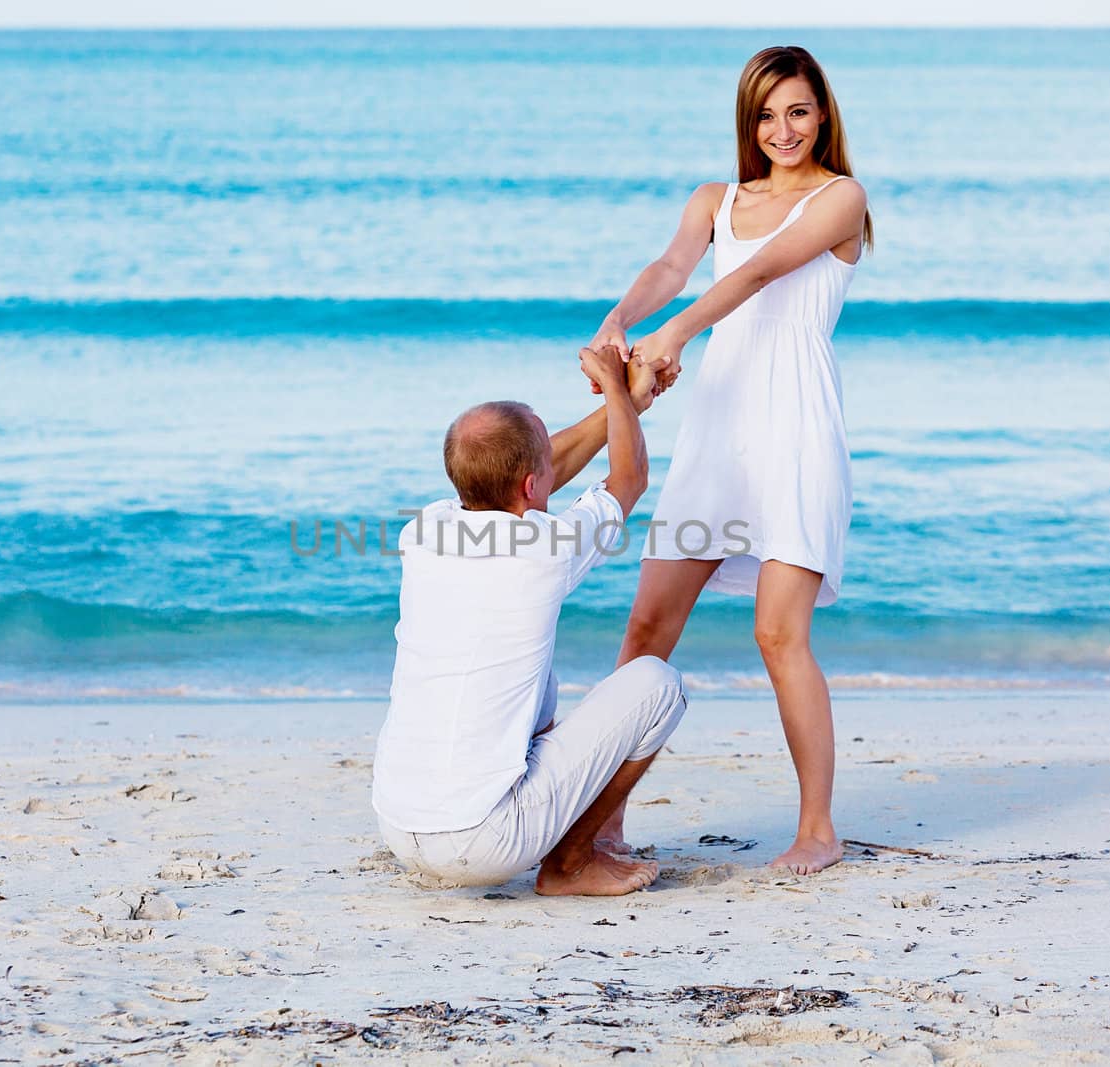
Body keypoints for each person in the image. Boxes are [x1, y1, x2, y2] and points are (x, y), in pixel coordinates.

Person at [586, 45, 874, 875]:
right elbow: (672, 266)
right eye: (766, 114)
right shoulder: (716, 198)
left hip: (795, 427)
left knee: (779, 633)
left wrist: (674, 333)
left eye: (798, 111)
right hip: (718, 427)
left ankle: (818, 828)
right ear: (748, 121)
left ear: (823, 113)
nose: (783, 129)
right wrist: (621, 318)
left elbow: (758, 277)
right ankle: (605, 819)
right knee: (646, 628)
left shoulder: (841, 199)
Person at [372, 345, 686, 896]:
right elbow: (629, 478)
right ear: (529, 487)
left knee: (534, 676)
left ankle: (557, 846)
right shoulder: (547, 549)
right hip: (485, 840)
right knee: (658, 684)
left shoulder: (423, 531)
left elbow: (539, 472)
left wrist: (628, 405)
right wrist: (614, 384)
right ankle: (569, 864)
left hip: (399, 826)